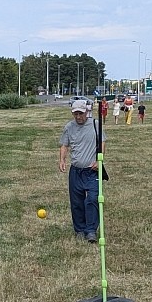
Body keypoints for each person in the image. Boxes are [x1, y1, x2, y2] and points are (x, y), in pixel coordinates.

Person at [58, 99, 104, 242]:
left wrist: (99, 161)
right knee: (77, 202)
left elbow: (102, 142)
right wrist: (62, 160)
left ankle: (90, 231)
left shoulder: (96, 125)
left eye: (80, 113)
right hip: (76, 171)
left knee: (92, 199)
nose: (78, 116)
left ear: (87, 112)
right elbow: (64, 145)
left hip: (92, 171)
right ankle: (79, 229)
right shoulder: (69, 127)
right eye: (75, 114)